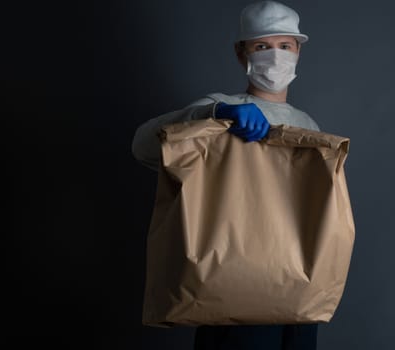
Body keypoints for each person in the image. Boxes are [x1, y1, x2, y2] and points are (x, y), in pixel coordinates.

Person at [131, 1, 320, 349]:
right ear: (241, 53)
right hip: (237, 279)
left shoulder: (307, 126)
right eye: (262, 46)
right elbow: (143, 145)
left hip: (296, 284)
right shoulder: (217, 108)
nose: (275, 57)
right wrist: (215, 114)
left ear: (298, 51)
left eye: (285, 46)